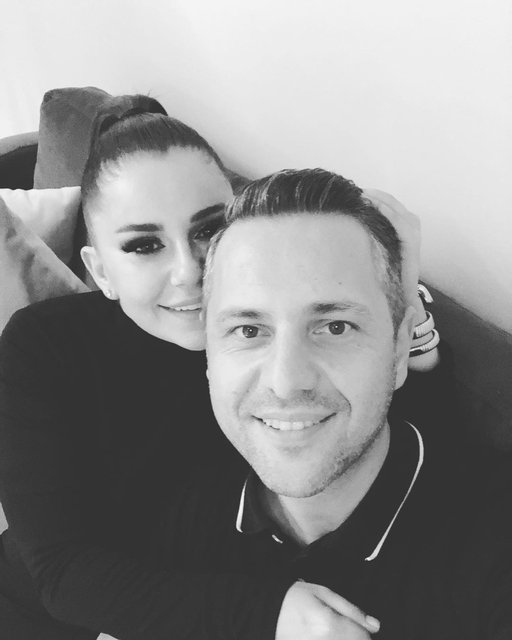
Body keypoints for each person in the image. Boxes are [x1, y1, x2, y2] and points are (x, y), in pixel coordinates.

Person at [0, 95, 447, 640]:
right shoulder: (42, 346)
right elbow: (61, 574)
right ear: (101, 272)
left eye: (208, 230)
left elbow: (389, 421)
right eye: (144, 245)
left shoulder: (276, 340)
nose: (188, 272)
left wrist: (401, 283)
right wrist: (265, 614)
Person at [145, 168, 512, 639]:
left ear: (401, 349)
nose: (286, 382)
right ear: (210, 359)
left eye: (335, 327)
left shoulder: (494, 537)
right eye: (248, 330)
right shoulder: (182, 514)